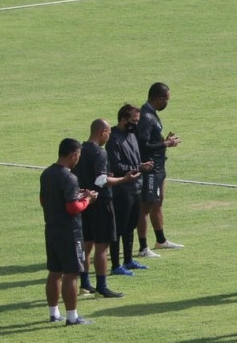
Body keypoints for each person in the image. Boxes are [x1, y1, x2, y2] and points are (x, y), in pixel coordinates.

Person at [74, 118, 136, 299]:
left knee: (86, 245)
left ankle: (85, 285)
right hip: (101, 203)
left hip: (84, 202)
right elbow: (100, 181)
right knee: (102, 247)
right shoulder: (99, 153)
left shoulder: (79, 150)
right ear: (102, 132)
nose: (109, 136)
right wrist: (124, 179)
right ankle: (102, 287)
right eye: (108, 132)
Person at [42, 138, 97, 325]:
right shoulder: (70, 177)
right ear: (73, 154)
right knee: (71, 274)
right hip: (70, 232)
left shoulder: (47, 174)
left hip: (51, 229)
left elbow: (44, 200)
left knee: (54, 272)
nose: (78, 159)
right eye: (78, 155)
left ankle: (53, 313)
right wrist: (88, 199)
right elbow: (73, 208)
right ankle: (72, 317)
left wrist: (77, 195)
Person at [136, 82, 182, 258]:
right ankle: (142, 248)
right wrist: (165, 143)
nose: (167, 103)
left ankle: (161, 240)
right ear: (159, 98)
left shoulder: (151, 114)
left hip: (159, 166)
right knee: (145, 207)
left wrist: (165, 141)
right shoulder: (146, 117)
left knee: (157, 203)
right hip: (151, 169)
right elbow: (143, 144)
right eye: (166, 100)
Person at [106, 104, 153, 276]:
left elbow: (135, 158)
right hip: (121, 189)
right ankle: (116, 264)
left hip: (135, 187)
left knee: (131, 225)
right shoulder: (113, 138)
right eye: (133, 121)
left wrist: (141, 166)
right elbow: (116, 165)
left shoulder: (131, 135)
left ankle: (128, 260)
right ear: (123, 119)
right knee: (119, 227)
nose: (136, 124)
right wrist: (138, 167)